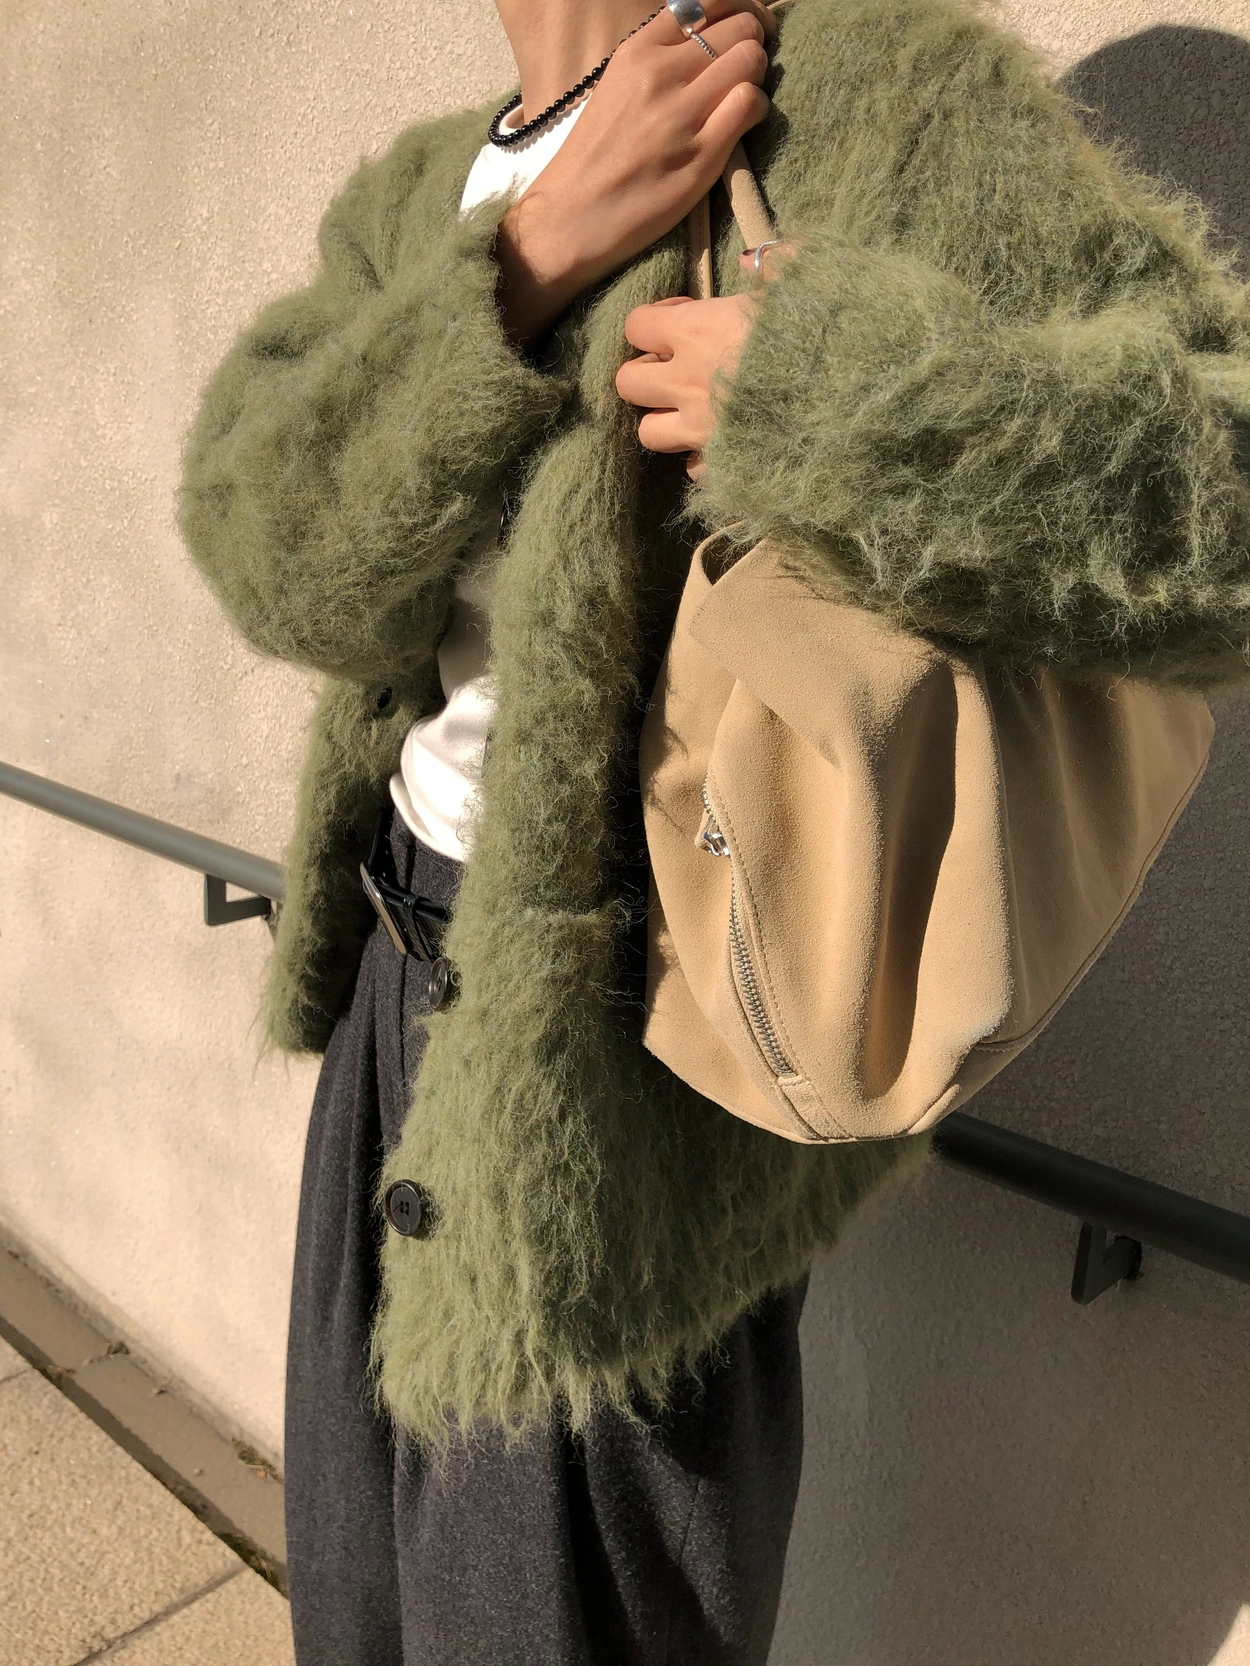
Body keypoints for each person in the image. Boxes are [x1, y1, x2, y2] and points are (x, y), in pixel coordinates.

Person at [178, 0, 1250, 1659]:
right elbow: (269, 549)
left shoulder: (881, 104)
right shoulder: (418, 191)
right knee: (358, 1609)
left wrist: (844, 403)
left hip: (635, 1067)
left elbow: (1222, 498)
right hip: (392, 985)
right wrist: (520, 266)